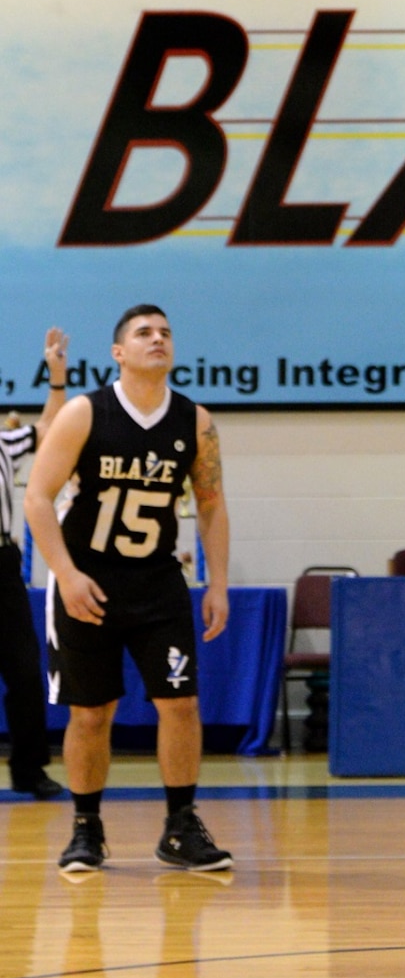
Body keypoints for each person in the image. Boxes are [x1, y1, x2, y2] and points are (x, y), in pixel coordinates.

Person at [24, 304, 233, 875]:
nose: (158, 339)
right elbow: (37, 498)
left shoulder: (195, 421)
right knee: (92, 714)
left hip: (158, 580)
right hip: (87, 579)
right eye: (144, 333)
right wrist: (65, 574)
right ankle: (86, 828)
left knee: (181, 703)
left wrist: (218, 584)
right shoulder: (85, 414)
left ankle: (180, 826)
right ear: (119, 352)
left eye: (166, 331)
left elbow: (211, 507)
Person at [0, 328, 71, 800]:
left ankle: (29, 771)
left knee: (25, 672)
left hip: (1, 562)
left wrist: (57, 378)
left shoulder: (3, 442)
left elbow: (51, 430)